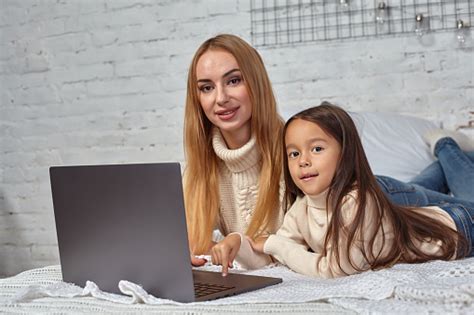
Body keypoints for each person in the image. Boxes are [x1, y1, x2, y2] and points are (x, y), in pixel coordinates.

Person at [243, 102, 473, 278]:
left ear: (346, 153)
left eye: (317, 148)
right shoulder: (302, 207)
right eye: (294, 153)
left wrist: (273, 244)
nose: (303, 160)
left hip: (457, 229)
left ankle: (445, 145)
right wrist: (238, 246)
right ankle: (452, 152)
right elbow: (276, 256)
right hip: (430, 217)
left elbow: (336, 269)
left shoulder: (355, 201)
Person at [183, 34, 286, 270]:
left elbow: (304, 248)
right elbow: (195, 242)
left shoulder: (294, 154)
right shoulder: (201, 169)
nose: (220, 98)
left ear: (256, 82)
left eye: (234, 81)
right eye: (207, 88)